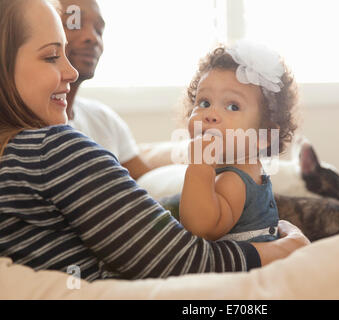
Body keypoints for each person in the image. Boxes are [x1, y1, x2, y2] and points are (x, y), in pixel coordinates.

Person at [0, 0, 309, 281]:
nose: (70, 71)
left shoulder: (19, 157)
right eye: (52, 56)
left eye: (232, 106)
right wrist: (289, 249)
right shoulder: (52, 150)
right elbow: (181, 260)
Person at [179, 42, 299, 242]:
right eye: (204, 103)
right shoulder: (241, 167)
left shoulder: (233, 180)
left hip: (246, 270)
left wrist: (199, 166)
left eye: (233, 106)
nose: (211, 114)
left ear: (264, 136)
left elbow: (201, 227)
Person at [58, 0, 157, 180]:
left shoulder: (103, 119)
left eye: (99, 30)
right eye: (74, 24)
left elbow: (148, 183)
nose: (93, 38)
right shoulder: (20, 125)